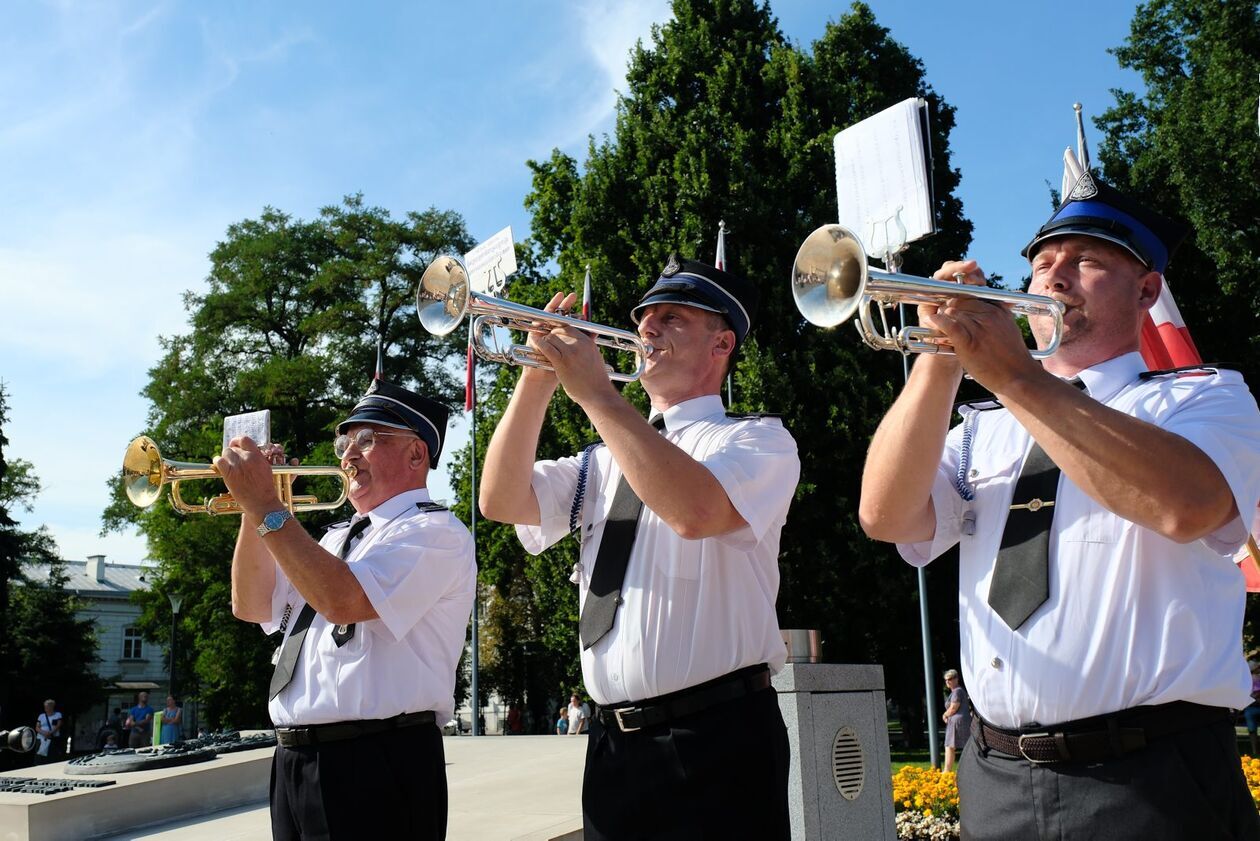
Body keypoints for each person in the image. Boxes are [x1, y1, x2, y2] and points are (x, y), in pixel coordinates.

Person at [860, 174, 1260, 839]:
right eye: (1043, 261)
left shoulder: (1202, 398)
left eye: (1087, 259)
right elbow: (886, 514)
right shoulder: (983, 424)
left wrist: (1014, 375)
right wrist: (942, 358)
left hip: (1154, 778)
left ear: (1147, 290)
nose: (1056, 274)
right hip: (998, 779)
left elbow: (1187, 506)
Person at [481, 255, 800, 839]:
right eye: (643, 317)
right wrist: (536, 379)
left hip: (717, 736)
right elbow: (500, 499)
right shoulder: (600, 460)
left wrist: (600, 398)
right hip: (613, 744)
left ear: (722, 343)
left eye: (672, 318)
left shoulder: (756, 438)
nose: (645, 328)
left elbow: (695, 511)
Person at [219, 378, 476, 841]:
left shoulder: (434, 531)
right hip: (296, 761)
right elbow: (251, 604)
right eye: (345, 442)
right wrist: (251, 507)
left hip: (378, 759)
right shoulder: (331, 538)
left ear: (417, 455)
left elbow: (343, 601)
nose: (347, 455)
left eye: (367, 439)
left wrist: (266, 504)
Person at [940, 669, 969, 773]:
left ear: (956, 679)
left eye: (950, 679)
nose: (947, 681)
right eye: (946, 680)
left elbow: (953, 708)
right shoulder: (958, 691)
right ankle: (954, 770)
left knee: (949, 746)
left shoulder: (957, 691)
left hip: (957, 722)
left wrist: (945, 714)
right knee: (957, 746)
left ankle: (946, 772)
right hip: (959, 722)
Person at [1244, 660, 1260, 756]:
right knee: (1250, 716)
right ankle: (1255, 750)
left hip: (1254, 707)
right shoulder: (1248, 680)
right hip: (1252, 708)